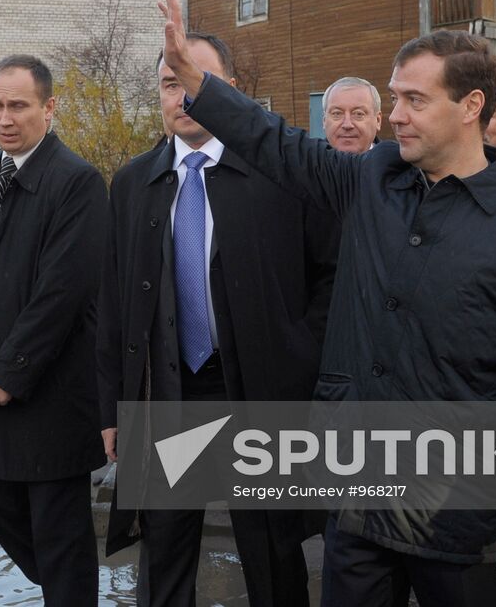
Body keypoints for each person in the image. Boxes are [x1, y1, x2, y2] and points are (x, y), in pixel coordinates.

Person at [157, 0, 496, 606]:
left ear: (471, 106)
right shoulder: (374, 179)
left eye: (414, 99)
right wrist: (195, 79)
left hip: (461, 518)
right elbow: (273, 142)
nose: (395, 115)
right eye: (394, 98)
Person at [98, 32, 337, 607]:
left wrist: (300, 356)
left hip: (259, 397)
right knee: (166, 549)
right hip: (173, 398)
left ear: (229, 91)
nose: (180, 96)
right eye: (167, 82)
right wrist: (112, 409)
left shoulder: (285, 176)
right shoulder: (135, 184)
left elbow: (331, 278)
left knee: (271, 556)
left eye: (194, 82)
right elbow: (114, 304)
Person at [0, 54, 108, 606]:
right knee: (0, 505)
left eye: (18, 105)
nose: (5, 118)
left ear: (49, 108)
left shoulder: (76, 182)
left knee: (60, 538)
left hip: (51, 395)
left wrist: (10, 373)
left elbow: (62, 294)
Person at [323, 76, 383, 153]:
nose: (347, 125)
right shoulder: (308, 163)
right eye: (337, 114)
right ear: (324, 120)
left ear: (378, 120)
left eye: (358, 114)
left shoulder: (398, 163)